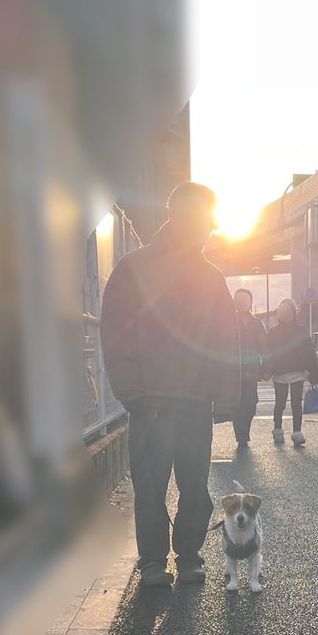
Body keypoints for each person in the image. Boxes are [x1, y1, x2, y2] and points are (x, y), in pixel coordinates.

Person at [100, 182, 240, 586]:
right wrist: (132, 391)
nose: (203, 225)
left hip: (195, 400)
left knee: (195, 484)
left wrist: (226, 395)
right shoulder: (134, 268)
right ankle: (153, 561)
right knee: (150, 485)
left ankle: (189, 554)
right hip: (151, 400)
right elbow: (116, 332)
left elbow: (225, 339)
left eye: (206, 218)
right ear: (174, 215)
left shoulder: (210, 277)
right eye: (195, 216)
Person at [267, 298, 316, 447]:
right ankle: (277, 429)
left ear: (293, 313)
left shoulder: (301, 330)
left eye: (286, 311)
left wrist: (312, 370)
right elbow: (268, 352)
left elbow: (309, 351)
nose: (283, 314)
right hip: (279, 372)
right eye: (281, 312)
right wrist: (267, 369)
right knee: (280, 403)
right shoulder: (273, 332)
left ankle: (297, 432)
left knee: (296, 403)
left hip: (297, 371)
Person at [232, 288, 267, 448]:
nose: (241, 303)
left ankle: (245, 429)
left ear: (250, 303)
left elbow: (264, 346)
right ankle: (241, 434)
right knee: (237, 403)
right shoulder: (229, 323)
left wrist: (267, 366)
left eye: (244, 300)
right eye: (238, 300)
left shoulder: (257, 323)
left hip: (252, 371)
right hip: (234, 371)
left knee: (251, 403)